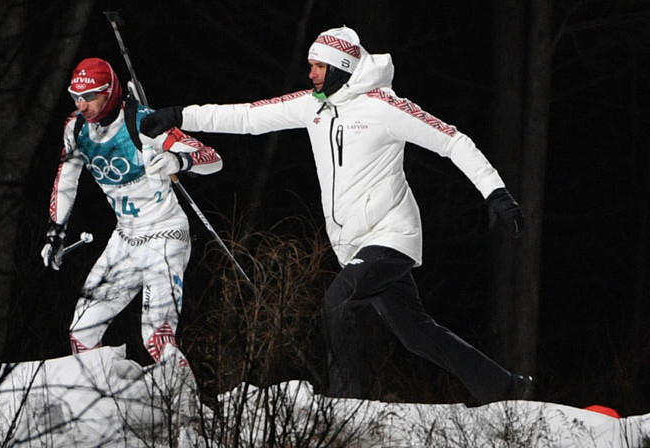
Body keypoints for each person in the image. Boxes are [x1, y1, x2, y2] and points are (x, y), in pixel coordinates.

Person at [140, 27, 533, 402]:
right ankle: (504, 387)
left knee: (338, 301)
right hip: (352, 243)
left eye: (319, 66)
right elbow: (247, 118)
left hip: (391, 233)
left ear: (342, 68)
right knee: (416, 334)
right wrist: (180, 115)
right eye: (310, 65)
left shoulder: (384, 106)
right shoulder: (313, 106)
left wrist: (495, 192)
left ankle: (346, 404)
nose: (310, 73)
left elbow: (453, 140)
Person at [41, 57, 223, 362]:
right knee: (81, 333)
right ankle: (104, 406)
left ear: (110, 92)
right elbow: (66, 180)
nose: (82, 106)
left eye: (90, 97)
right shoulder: (75, 129)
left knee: (157, 338)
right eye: (76, 97)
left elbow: (212, 157)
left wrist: (180, 161)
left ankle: (184, 404)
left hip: (165, 235)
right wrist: (55, 231)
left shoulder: (143, 122)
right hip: (125, 239)